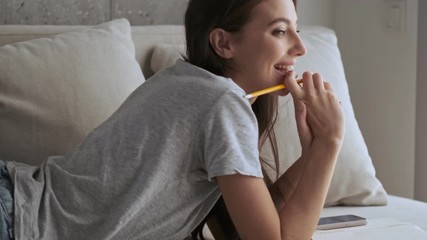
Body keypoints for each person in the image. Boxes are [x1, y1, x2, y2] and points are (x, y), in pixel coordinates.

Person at [0, 0, 344, 239]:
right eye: (281, 31)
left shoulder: (188, 82)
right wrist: (329, 144)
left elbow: (257, 221)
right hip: (17, 220)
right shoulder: (222, 104)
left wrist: (312, 153)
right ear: (223, 43)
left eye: (296, 30)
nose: (301, 47)